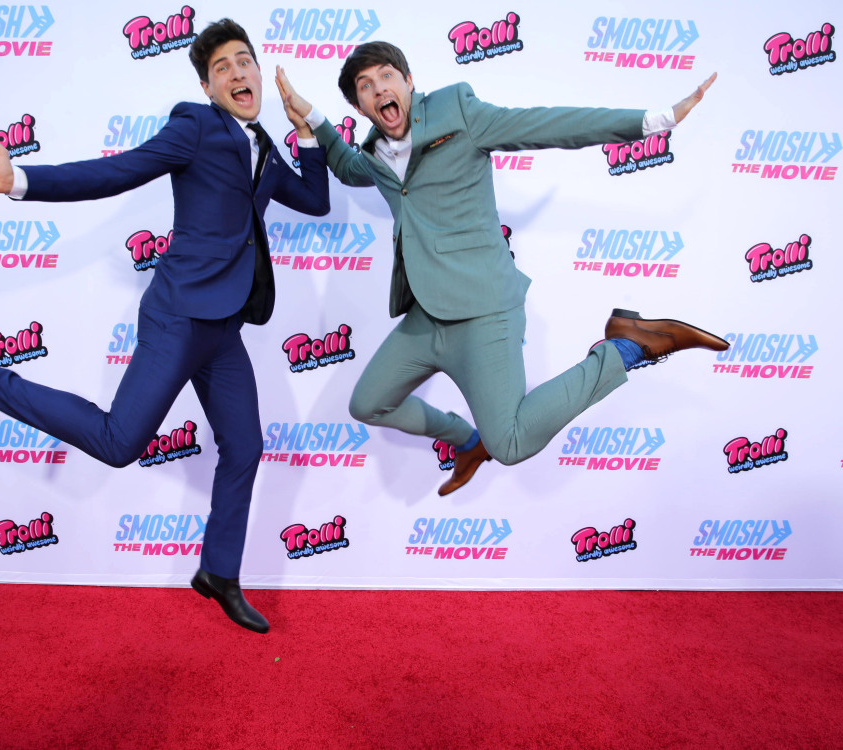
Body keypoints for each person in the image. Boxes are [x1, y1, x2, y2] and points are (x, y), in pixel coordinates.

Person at [0, 19, 330, 634]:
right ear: (208, 87)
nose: (238, 73)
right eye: (223, 68)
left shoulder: (264, 143)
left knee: (245, 447)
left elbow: (315, 200)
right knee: (117, 443)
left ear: (261, 72)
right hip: (179, 316)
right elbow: (116, 172)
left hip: (224, 327)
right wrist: (17, 181)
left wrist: (306, 128)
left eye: (246, 62)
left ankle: (219, 572)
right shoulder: (195, 125)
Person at [275, 42, 726, 496]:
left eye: (387, 76)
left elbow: (546, 125)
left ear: (408, 81)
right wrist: (311, 118)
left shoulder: (458, 112)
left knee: (509, 443)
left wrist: (653, 121)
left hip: (484, 310)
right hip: (426, 316)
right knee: (368, 404)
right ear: (359, 106)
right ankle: (468, 441)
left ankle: (626, 348)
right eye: (365, 87)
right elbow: (351, 169)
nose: (379, 89)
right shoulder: (375, 151)